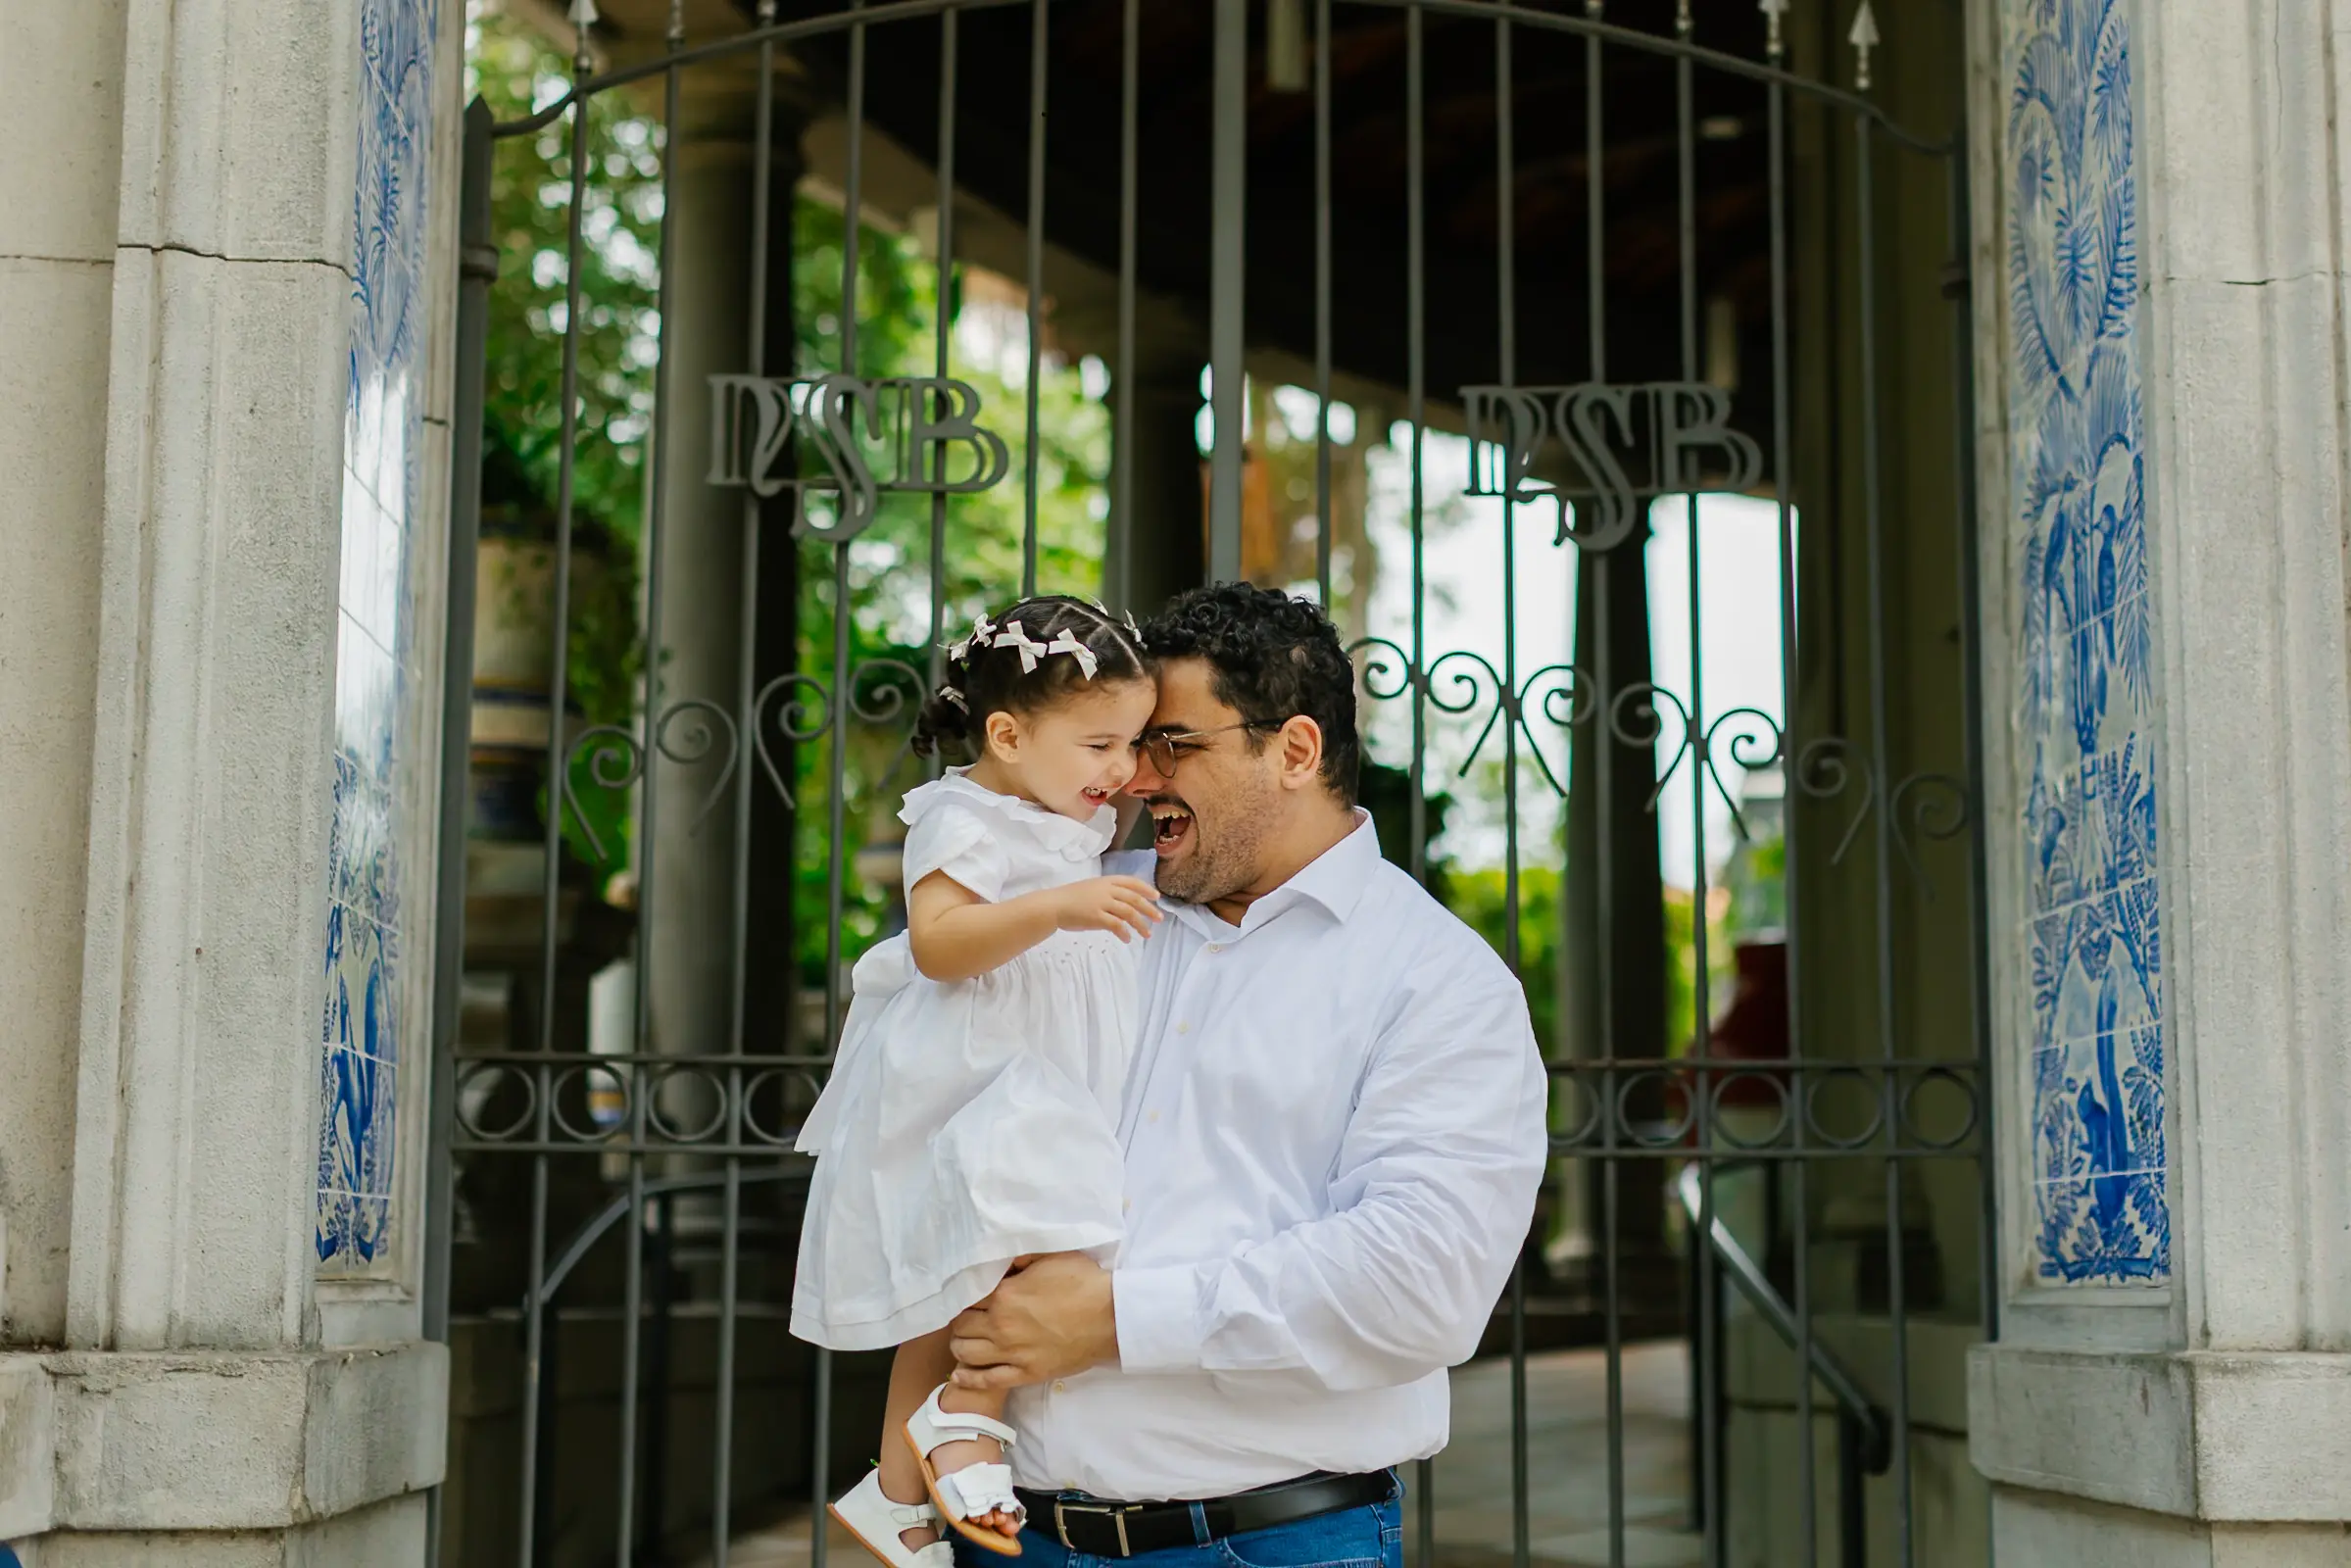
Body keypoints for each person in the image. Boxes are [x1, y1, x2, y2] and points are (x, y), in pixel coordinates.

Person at [942, 582, 1549, 1568]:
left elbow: (1418, 1282)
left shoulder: (1438, 982)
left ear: (1294, 752)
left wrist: (1113, 1320)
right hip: (1006, 1537)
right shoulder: (1069, 916)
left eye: (1171, 743)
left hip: (1268, 1546)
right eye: (1132, 742)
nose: (1134, 778)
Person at [793, 596, 1165, 1568]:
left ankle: (893, 1494)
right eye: (1099, 745)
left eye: (1131, 744)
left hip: (1030, 1067)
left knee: (966, 1273)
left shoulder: (1057, 814)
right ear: (1005, 733)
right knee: (1025, 1236)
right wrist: (1057, 907)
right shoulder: (959, 815)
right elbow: (940, 944)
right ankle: (963, 1413)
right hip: (976, 1068)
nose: (1121, 772)